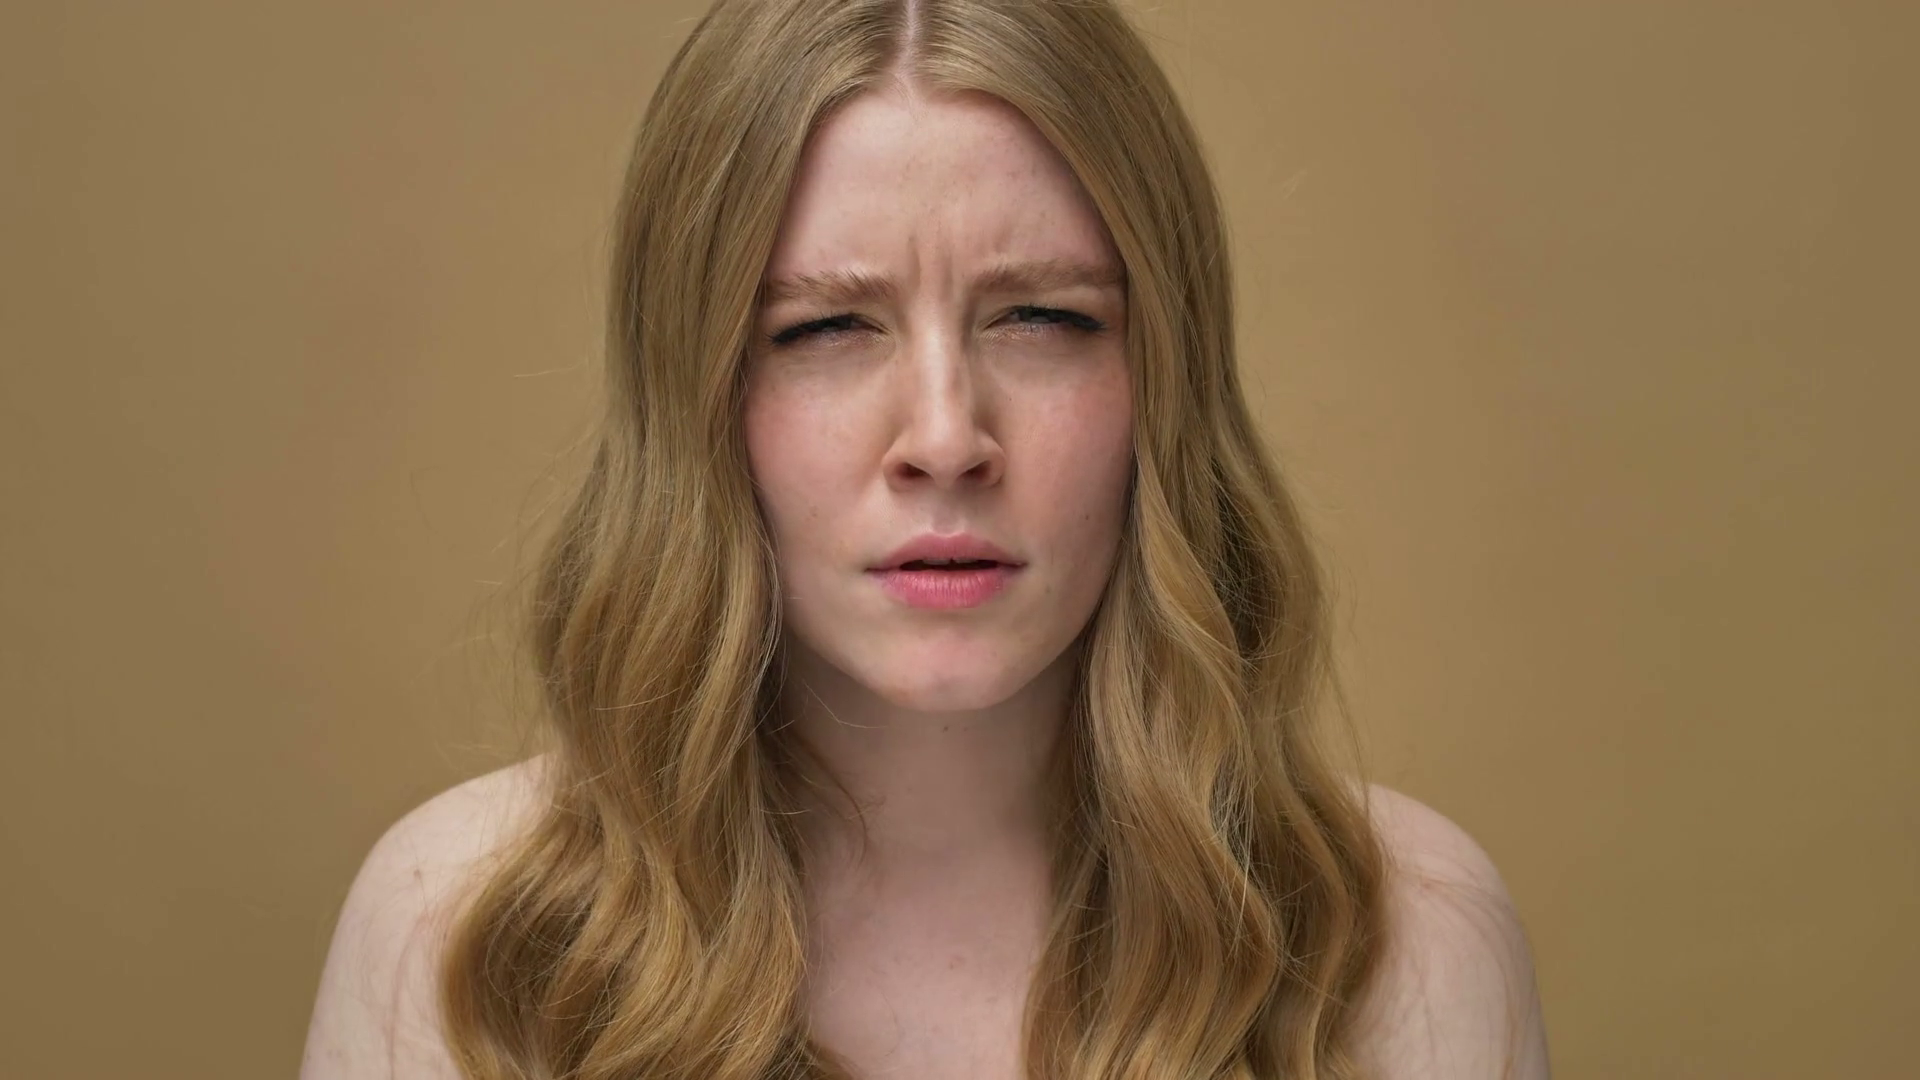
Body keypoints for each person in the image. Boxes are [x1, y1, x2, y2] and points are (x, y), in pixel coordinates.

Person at [300, 0, 1550, 1077]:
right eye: (825, 329)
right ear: (695, 399)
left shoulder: (1405, 941)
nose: (947, 438)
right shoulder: (465, 936)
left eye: (1043, 317)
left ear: (1164, 382)